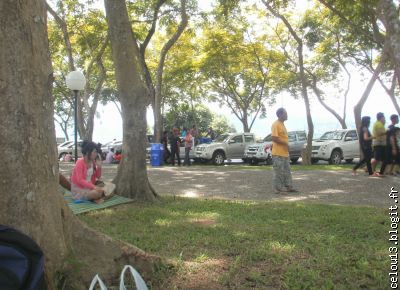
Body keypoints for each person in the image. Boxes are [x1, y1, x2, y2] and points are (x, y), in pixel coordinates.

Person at [271, 108, 298, 194]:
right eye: (285, 113)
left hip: (285, 153)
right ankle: (278, 189)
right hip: (278, 153)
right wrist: (286, 143)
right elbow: (274, 138)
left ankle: (289, 187)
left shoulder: (282, 124)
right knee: (279, 172)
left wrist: (286, 145)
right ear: (280, 115)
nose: (287, 115)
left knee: (287, 171)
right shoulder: (276, 124)